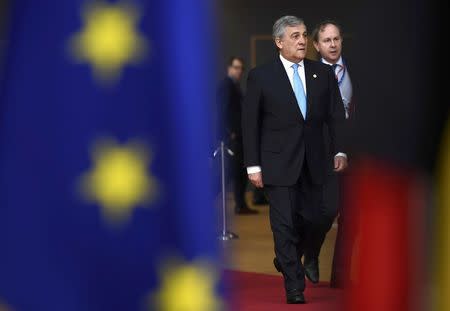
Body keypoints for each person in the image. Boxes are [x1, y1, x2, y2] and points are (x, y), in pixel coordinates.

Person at [241, 16, 347, 304]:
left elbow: (335, 115)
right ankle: (294, 285)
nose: (302, 41)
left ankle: (297, 256)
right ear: (279, 42)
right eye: (295, 36)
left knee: (320, 215)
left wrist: (339, 150)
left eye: (303, 35)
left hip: (315, 162)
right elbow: (250, 124)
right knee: (283, 225)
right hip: (277, 164)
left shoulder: (321, 74)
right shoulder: (261, 76)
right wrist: (253, 165)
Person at [305, 20, 355, 288]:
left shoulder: (355, 69)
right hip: (323, 153)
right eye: (327, 40)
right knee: (327, 210)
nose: (333, 44)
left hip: (356, 150)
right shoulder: (309, 74)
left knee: (352, 216)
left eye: (336, 39)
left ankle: (340, 276)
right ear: (316, 45)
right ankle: (310, 253)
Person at [217, 57, 258, 215]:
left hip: (238, 136)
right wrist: (228, 133)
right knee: (228, 174)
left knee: (239, 172)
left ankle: (241, 205)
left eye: (241, 68)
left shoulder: (234, 85)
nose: (239, 71)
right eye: (236, 67)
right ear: (229, 68)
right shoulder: (226, 85)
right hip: (232, 137)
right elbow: (222, 111)